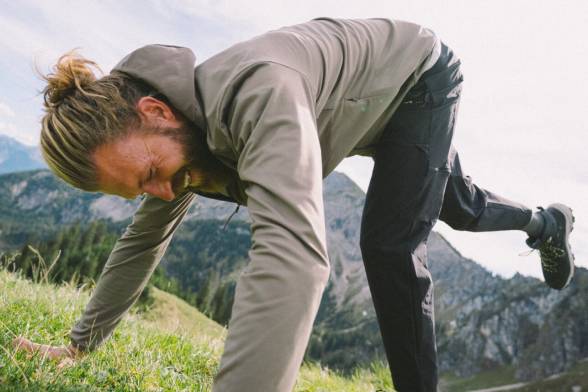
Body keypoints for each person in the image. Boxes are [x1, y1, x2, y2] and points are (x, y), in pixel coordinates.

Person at [12, 17, 575, 392]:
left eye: (151, 175)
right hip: (354, 109)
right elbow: (141, 243)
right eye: (141, 191)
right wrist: (78, 347)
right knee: (458, 204)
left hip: (415, 79)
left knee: (390, 244)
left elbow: (295, 255)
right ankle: (546, 222)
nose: (160, 193)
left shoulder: (257, 92)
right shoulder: (176, 143)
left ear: (157, 111)